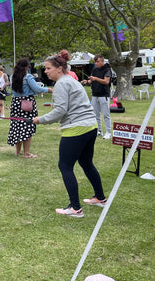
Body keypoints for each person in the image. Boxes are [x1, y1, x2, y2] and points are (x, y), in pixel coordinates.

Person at [34, 51, 107, 218]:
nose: (45, 71)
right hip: (90, 126)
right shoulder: (71, 81)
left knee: (65, 166)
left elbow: (60, 111)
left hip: (77, 129)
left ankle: (75, 208)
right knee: (86, 163)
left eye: (48, 68)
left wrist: (40, 120)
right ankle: (101, 199)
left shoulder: (61, 84)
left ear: (59, 68)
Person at [7, 58, 51, 158]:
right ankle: (26, 153)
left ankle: (17, 151)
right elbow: (37, 88)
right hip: (27, 103)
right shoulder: (28, 77)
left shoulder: (12, 76)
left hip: (15, 103)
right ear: (27, 67)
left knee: (17, 126)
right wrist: (49, 90)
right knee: (28, 126)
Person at [81, 54, 112, 139]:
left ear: (102, 61)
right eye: (95, 62)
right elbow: (91, 80)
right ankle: (99, 130)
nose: (96, 63)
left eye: (98, 61)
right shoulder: (94, 70)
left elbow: (106, 81)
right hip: (95, 94)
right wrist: (87, 81)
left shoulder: (107, 70)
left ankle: (108, 132)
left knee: (106, 114)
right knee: (95, 114)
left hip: (104, 95)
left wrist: (95, 78)